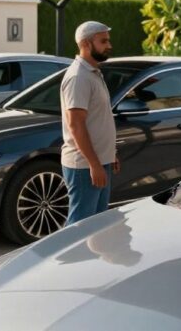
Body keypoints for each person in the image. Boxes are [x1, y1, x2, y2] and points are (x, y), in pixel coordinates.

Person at [61, 21, 120, 226]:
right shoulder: (79, 77)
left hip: (98, 162)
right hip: (85, 166)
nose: (109, 46)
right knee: (79, 229)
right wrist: (94, 164)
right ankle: (68, 259)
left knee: (95, 227)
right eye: (103, 41)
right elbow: (75, 125)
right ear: (86, 44)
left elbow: (98, 117)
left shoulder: (93, 72)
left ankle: (89, 259)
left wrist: (109, 154)